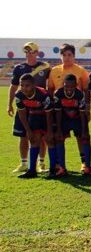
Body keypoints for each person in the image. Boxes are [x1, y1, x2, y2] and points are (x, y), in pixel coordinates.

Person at [8, 42, 50, 173]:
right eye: (26, 52)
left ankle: (41, 163)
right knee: (23, 136)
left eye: (31, 51)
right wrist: (9, 103)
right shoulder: (19, 68)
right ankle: (24, 163)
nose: (29, 54)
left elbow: (50, 85)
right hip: (23, 107)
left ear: (37, 52)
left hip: (39, 108)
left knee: (42, 136)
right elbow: (14, 86)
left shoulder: (45, 67)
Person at [14, 74, 55, 178]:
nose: (24, 88)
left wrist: (49, 132)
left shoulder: (43, 95)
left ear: (33, 85)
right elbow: (22, 114)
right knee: (33, 140)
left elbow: (49, 114)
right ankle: (32, 170)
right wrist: (28, 130)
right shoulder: (19, 95)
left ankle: (53, 170)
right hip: (33, 116)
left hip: (47, 117)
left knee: (49, 140)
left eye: (27, 85)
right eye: (21, 85)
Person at [53, 74, 90, 176]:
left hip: (77, 119)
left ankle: (86, 165)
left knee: (84, 138)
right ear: (63, 85)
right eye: (66, 86)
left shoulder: (80, 94)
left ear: (76, 85)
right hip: (64, 120)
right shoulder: (58, 94)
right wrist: (59, 129)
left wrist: (84, 130)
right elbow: (58, 112)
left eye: (71, 86)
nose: (69, 89)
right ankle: (62, 167)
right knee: (59, 138)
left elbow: (82, 113)